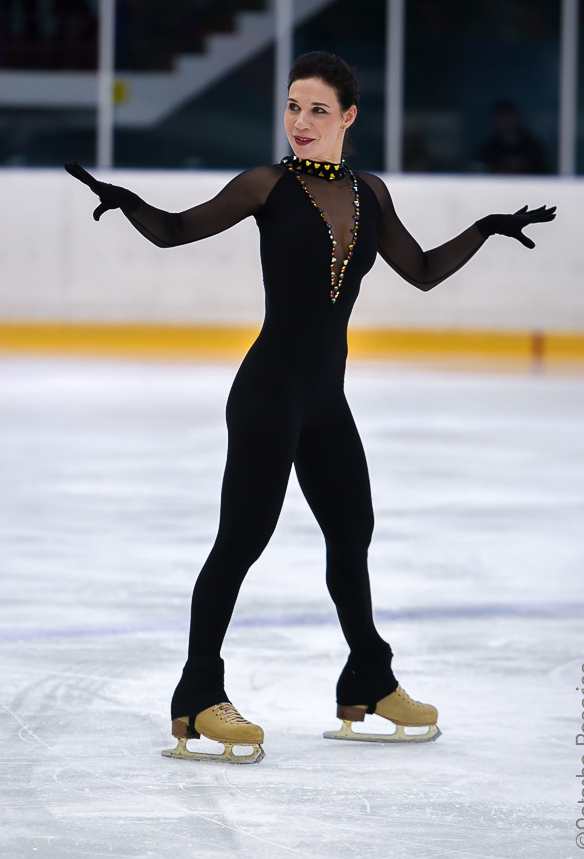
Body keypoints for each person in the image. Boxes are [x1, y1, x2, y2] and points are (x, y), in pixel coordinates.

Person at [65, 51, 555, 764]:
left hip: (326, 398)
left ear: (347, 117)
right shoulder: (266, 185)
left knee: (352, 531)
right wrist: (127, 202)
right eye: (293, 107)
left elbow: (420, 271)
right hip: (268, 394)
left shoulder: (369, 193)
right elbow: (174, 231)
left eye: (317, 110)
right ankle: (197, 694)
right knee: (242, 540)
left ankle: (369, 678)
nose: (300, 121)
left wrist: (483, 227)